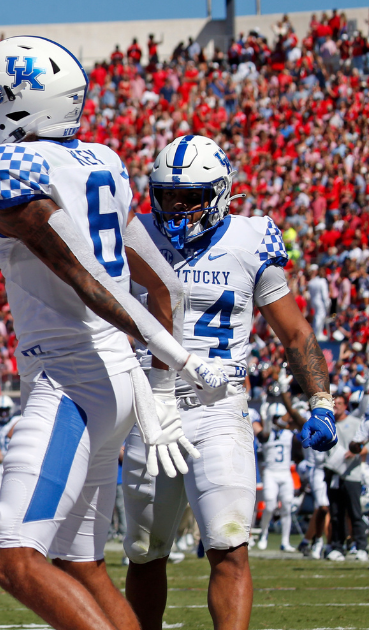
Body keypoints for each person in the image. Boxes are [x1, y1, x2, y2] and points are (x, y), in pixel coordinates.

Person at [0, 36, 230, 630]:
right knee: (82, 565)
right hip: (115, 382)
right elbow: (167, 287)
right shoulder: (102, 160)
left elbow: (84, 278)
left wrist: (174, 359)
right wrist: (156, 385)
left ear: (23, 103)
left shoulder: (10, 168)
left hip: (69, 378)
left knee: (13, 559)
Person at [122, 134, 338, 630]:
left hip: (219, 408)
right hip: (150, 409)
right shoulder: (135, 233)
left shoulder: (250, 238)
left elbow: (294, 330)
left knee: (229, 542)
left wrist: (322, 399)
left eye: (191, 196)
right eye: (168, 195)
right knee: (144, 551)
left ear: (219, 193)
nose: (176, 207)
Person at [320, 395, 365, 561]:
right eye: (334, 404)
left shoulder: (354, 423)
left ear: (345, 405)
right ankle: (337, 546)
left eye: (339, 403)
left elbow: (365, 446)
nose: (336, 406)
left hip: (351, 474)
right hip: (334, 474)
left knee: (355, 512)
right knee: (336, 512)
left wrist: (354, 452)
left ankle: (361, 547)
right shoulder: (329, 424)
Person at [256, 403, 297, 551]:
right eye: (275, 418)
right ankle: (264, 532)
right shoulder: (266, 434)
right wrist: (266, 417)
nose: (278, 420)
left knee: (287, 506)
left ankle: (285, 541)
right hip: (271, 472)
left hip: (285, 472)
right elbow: (263, 434)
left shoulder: (288, 433)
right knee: (271, 505)